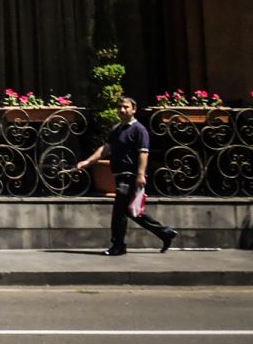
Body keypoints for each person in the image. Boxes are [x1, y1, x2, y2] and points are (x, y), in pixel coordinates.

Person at [75, 96, 178, 256]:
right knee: (131, 211)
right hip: (120, 175)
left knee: (119, 212)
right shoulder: (116, 130)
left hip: (130, 176)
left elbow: (144, 154)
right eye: (120, 107)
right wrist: (87, 162)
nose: (122, 110)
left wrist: (140, 175)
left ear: (134, 109)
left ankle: (118, 245)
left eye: (126, 107)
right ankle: (164, 232)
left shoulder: (139, 130)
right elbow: (105, 149)